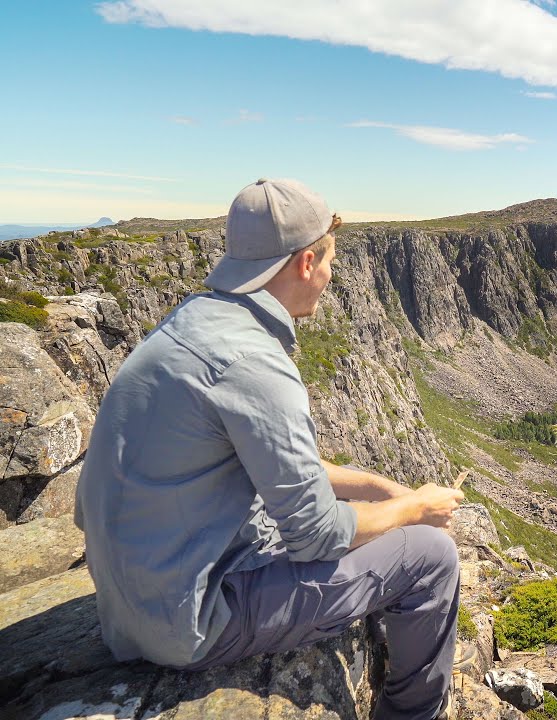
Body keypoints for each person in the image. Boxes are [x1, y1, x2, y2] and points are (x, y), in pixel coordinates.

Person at [75, 178, 466, 720]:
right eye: (330, 262)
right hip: (188, 622)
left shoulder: (194, 321)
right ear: (306, 263)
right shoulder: (255, 363)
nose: (331, 276)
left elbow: (277, 465)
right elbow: (318, 535)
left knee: (374, 512)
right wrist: (416, 508)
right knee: (432, 556)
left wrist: (379, 488)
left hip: (133, 599)